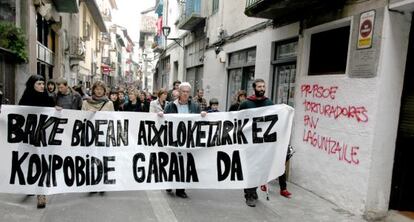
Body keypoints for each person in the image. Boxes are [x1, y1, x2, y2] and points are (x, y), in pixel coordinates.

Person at [163, 82, 206, 198]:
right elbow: (164, 120)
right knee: (172, 162)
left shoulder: (195, 106)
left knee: (184, 163)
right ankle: (169, 183)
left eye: (187, 92)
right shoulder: (170, 106)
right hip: (173, 139)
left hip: (187, 139)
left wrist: (203, 115)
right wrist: (160, 115)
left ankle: (180, 189)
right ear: (179, 92)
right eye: (183, 91)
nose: (186, 94)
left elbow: (198, 121)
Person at [19, 74, 55, 208]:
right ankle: (30, 186)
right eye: (38, 84)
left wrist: (57, 111)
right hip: (28, 137)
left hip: (44, 137)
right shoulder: (25, 99)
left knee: (42, 164)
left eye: (42, 84)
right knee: (29, 162)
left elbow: (54, 117)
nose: (42, 86)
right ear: (32, 85)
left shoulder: (49, 99)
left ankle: (41, 194)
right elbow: (19, 115)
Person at [239, 79, 273, 207]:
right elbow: (237, 119)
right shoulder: (246, 103)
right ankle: (249, 195)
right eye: (259, 86)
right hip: (248, 142)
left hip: (263, 142)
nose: (262, 88)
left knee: (259, 168)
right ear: (254, 88)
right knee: (250, 168)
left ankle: (253, 191)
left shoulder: (269, 103)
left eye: (263, 86)